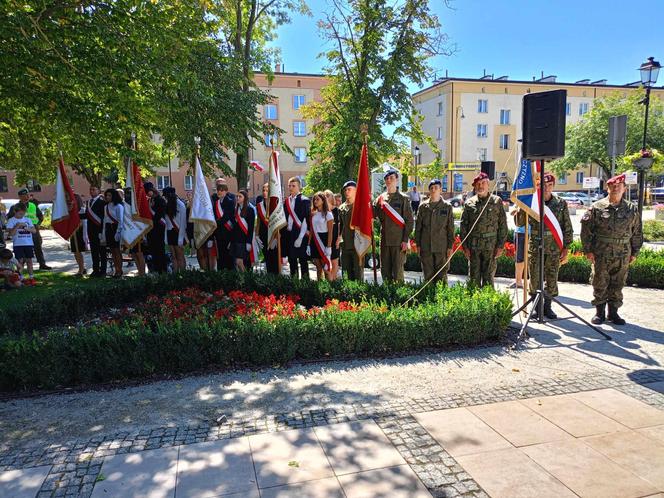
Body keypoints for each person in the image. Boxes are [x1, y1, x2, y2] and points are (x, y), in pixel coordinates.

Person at [581, 173, 643, 325]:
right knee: (599, 281)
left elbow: (637, 231)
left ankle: (613, 313)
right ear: (607, 188)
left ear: (624, 188)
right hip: (601, 251)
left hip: (623, 252)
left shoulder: (631, 209)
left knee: (618, 282)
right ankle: (599, 313)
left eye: (618, 186)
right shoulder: (597, 207)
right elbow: (586, 230)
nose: (615, 189)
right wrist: (588, 250)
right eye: (612, 186)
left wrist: (635, 251)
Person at [516, 174, 573, 319]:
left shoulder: (560, 203)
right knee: (535, 277)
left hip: (554, 248)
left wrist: (566, 248)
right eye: (543, 185)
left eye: (549, 185)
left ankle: (548, 307)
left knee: (551, 278)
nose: (546, 188)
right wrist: (522, 207)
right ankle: (536, 307)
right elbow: (519, 223)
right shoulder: (533, 202)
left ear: (553, 186)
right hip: (536, 246)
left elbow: (567, 227)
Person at [459, 172, 508, 288]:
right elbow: (463, 226)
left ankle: (488, 304)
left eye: (483, 183)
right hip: (474, 247)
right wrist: (465, 247)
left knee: (488, 279)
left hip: (490, 246)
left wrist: (500, 246)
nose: (480, 186)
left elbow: (502, 225)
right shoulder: (469, 203)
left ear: (488, 184)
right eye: (478, 184)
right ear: (475, 187)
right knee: (473, 279)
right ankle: (475, 304)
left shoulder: (497, 201)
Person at [372, 169, 413, 283]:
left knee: (398, 272)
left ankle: (399, 298)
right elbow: (372, 215)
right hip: (385, 240)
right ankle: (388, 296)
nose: (389, 180)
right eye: (387, 178)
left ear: (397, 179)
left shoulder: (403, 199)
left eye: (392, 178)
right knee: (385, 270)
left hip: (398, 241)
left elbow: (409, 221)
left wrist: (405, 240)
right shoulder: (380, 199)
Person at [415, 179, 454, 285]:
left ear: (440, 190)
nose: (433, 190)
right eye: (431, 188)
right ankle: (429, 297)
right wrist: (418, 244)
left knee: (442, 275)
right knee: (428, 275)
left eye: (436, 188)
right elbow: (418, 228)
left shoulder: (447, 207)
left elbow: (450, 228)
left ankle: (441, 299)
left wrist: (450, 246)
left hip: (441, 247)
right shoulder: (423, 207)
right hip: (426, 246)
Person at [8, 188, 50, 270]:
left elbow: (40, 216)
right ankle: (20, 266)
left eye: (28, 195)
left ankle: (42, 264)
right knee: (22, 248)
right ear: (20, 197)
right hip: (20, 232)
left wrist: (37, 224)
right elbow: (9, 217)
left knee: (38, 247)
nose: (27, 197)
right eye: (24, 195)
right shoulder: (15, 207)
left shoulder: (33, 205)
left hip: (33, 229)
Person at [284, 177, 310, 279]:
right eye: (289, 185)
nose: (291, 188)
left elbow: (306, 220)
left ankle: (305, 284)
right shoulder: (286, 201)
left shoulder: (305, 200)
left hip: (301, 234)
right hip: (289, 234)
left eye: (293, 186)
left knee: (303, 261)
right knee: (292, 261)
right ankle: (294, 283)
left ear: (299, 187)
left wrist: (300, 237)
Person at [6, 203, 37, 284]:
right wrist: (17, 226)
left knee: (29, 260)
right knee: (20, 261)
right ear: (15, 212)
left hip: (28, 243)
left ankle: (31, 277)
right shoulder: (11, 220)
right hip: (18, 244)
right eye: (20, 213)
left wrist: (26, 228)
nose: (22, 215)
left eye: (23, 213)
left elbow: (34, 231)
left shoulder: (27, 220)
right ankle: (21, 277)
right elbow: (10, 234)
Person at [338, 181, 362, 281]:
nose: (347, 192)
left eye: (349, 189)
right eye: (345, 190)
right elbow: (340, 226)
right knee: (346, 273)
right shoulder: (341, 208)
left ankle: (359, 294)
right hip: (345, 244)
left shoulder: (361, 207)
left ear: (356, 191)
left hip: (358, 244)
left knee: (358, 273)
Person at [211, 179, 236, 271]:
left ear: (226, 191)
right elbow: (214, 215)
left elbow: (226, 217)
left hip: (228, 233)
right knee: (220, 257)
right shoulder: (216, 203)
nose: (219, 192)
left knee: (229, 258)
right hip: (219, 234)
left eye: (221, 190)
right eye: (218, 190)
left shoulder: (230, 201)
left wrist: (214, 223)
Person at [308, 191, 334, 281]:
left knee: (326, 267)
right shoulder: (313, 214)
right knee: (318, 267)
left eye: (317, 199)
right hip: (314, 241)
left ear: (323, 201)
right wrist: (308, 245)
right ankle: (320, 287)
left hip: (324, 240)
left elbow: (330, 232)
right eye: (314, 199)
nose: (315, 201)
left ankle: (330, 288)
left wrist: (329, 247)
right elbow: (311, 230)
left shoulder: (328, 214)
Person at [143, 182, 168, 273]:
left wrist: (150, 209)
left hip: (159, 227)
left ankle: (163, 269)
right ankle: (156, 268)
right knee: (153, 250)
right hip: (151, 228)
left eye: (147, 192)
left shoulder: (160, 200)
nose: (147, 194)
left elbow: (159, 215)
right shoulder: (149, 200)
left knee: (160, 249)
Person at [163, 186, 187, 272]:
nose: (165, 198)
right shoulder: (167, 205)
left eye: (166, 196)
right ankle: (175, 274)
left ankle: (183, 274)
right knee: (173, 256)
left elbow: (183, 223)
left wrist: (181, 238)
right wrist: (166, 236)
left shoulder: (181, 205)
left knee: (180, 255)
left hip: (178, 232)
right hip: (170, 232)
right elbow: (167, 223)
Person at [101, 188, 124, 278]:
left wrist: (118, 232)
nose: (107, 197)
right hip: (108, 229)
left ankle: (120, 271)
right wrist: (103, 233)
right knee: (112, 251)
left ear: (114, 196)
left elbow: (120, 221)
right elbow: (105, 220)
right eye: (106, 195)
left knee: (117, 251)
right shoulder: (105, 207)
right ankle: (116, 270)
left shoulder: (119, 206)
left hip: (115, 228)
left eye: (109, 195)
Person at [256, 183, 279, 274]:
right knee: (267, 257)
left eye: (267, 190)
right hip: (263, 234)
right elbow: (258, 221)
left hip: (274, 236)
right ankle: (270, 277)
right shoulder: (260, 205)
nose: (265, 192)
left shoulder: (276, 204)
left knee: (274, 258)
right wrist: (257, 235)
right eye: (263, 190)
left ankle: (277, 278)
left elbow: (279, 223)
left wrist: (277, 237)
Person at [230, 190, 255, 272]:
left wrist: (249, 242)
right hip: (235, 240)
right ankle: (241, 280)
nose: (237, 198)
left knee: (239, 262)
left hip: (244, 240)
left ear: (245, 198)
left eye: (240, 196)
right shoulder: (235, 210)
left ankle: (246, 279)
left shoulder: (250, 210)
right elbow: (234, 228)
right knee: (236, 264)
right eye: (237, 196)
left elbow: (251, 228)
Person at [86, 186, 107, 277]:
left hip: (99, 230)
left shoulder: (102, 202)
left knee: (102, 252)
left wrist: (101, 231)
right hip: (90, 230)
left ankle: (103, 271)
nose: (92, 191)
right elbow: (87, 215)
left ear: (98, 191)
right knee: (94, 251)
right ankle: (95, 270)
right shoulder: (89, 202)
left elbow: (103, 217)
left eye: (94, 189)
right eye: (90, 189)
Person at [324, 190, 340, 280]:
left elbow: (339, 225)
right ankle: (328, 280)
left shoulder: (336, 210)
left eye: (327, 195)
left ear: (331, 198)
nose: (325, 197)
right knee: (326, 261)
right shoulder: (322, 211)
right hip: (325, 239)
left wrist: (338, 239)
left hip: (334, 239)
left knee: (334, 261)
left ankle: (333, 281)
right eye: (324, 195)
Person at [70, 193, 87, 276]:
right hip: (73, 231)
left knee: (78, 251)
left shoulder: (82, 210)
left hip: (79, 231)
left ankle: (81, 269)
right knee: (75, 251)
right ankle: (82, 268)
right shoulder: (70, 210)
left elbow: (84, 222)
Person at [510, 207, 527, 290]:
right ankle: (518, 281)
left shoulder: (536, 199)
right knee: (519, 258)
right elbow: (512, 212)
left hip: (533, 232)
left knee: (533, 259)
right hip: (519, 232)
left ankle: (533, 284)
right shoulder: (520, 199)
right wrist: (518, 209)